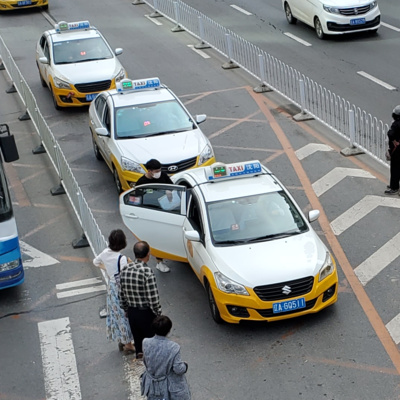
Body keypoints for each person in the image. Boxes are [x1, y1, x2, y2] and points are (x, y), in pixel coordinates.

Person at [93, 229, 135, 355]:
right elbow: (128, 273)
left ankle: (122, 340)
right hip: (121, 289)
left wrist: (107, 268)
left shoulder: (105, 253)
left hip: (111, 288)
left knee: (116, 315)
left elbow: (96, 262)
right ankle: (128, 344)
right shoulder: (122, 259)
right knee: (125, 315)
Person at [119, 241, 162, 360]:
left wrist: (127, 309)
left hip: (132, 313)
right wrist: (158, 313)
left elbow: (121, 294)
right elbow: (153, 298)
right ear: (148, 254)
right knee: (152, 344)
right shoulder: (147, 272)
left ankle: (142, 366)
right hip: (146, 314)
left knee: (139, 344)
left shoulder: (125, 269)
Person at [141, 315, 191, 400]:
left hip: (152, 386)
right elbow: (178, 369)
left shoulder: (146, 342)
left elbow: (145, 360)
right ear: (168, 330)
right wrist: (185, 366)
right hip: (169, 387)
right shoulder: (173, 347)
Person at [136, 159, 172, 273]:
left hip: (165, 210)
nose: (159, 173)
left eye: (160, 170)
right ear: (150, 171)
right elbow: (137, 200)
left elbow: (173, 187)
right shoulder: (141, 183)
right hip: (151, 213)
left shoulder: (164, 176)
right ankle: (159, 261)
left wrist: (169, 192)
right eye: (156, 171)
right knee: (158, 238)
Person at [385, 106, 400, 194]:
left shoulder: (396, 124)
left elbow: (390, 134)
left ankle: (394, 187)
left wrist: (394, 141)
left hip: (397, 150)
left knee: (395, 169)